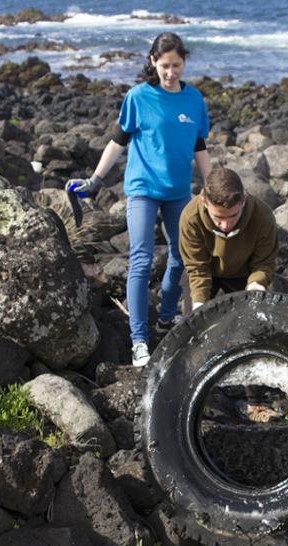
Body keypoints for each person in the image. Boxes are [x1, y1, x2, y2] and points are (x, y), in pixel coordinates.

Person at [68, 33, 211, 367]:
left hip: (178, 193)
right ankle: (139, 340)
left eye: (176, 65)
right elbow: (117, 141)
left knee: (182, 257)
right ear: (153, 62)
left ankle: (166, 318)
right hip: (142, 189)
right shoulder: (138, 97)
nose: (171, 72)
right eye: (165, 66)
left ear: (184, 63)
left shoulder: (194, 100)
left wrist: (211, 187)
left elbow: (199, 147)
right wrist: (95, 180)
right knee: (141, 260)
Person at [179, 167, 279, 309]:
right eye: (218, 217)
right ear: (204, 202)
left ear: (243, 200)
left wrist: (257, 284)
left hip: (245, 273)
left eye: (233, 215)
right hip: (202, 272)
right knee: (193, 318)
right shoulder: (191, 217)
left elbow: (264, 263)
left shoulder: (262, 216)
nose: (225, 225)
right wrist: (199, 303)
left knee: (252, 317)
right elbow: (196, 267)